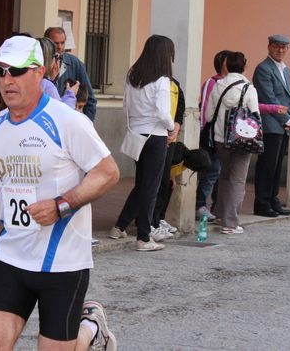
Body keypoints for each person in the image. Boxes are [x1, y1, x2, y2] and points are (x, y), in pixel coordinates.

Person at [0, 36, 120, 351]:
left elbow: (108, 173)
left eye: (17, 70)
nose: (7, 80)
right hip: (11, 254)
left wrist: (61, 205)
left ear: (38, 72)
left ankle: (89, 326)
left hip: (63, 261)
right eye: (1, 72)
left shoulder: (69, 122)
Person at [109, 35, 176, 251]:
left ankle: (119, 226)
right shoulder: (162, 80)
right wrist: (172, 126)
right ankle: (144, 238)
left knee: (142, 184)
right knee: (151, 186)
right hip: (155, 135)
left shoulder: (132, 75)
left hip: (136, 134)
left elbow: (125, 107)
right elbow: (163, 113)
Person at [205, 51, 261, 234]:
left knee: (224, 176)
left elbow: (208, 116)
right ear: (244, 66)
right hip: (242, 139)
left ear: (227, 66)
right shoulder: (248, 88)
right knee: (238, 180)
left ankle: (220, 213)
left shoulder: (218, 85)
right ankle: (230, 224)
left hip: (220, 138)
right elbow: (255, 116)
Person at [252, 34, 290, 218]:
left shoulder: (285, 70)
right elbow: (268, 97)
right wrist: (287, 119)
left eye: (283, 47)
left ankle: (273, 200)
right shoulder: (263, 68)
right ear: (269, 47)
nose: (280, 50)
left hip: (283, 125)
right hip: (271, 123)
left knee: (277, 166)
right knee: (267, 166)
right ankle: (262, 203)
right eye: (277, 47)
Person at [196, 50, 232, 221]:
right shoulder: (212, 82)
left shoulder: (234, 83)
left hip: (228, 135)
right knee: (212, 171)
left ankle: (218, 207)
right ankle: (200, 205)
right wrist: (203, 130)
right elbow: (204, 107)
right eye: (227, 61)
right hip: (212, 133)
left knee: (223, 172)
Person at [150, 76, 185, 241]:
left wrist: (176, 128)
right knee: (152, 184)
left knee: (166, 182)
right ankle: (150, 222)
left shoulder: (174, 84)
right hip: (156, 136)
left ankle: (158, 219)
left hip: (171, 139)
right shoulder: (152, 82)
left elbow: (180, 108)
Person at [45, 27, 97, 121]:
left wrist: (87, 124)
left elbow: (89, 98)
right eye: (56, 43)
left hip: (68, 121)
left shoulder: (75, 63)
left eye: (62, 43)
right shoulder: (39, 64)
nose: (60, 47)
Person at [37, 37, 78, 109]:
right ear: (48, 58)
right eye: (56, 56)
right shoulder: (47, 86)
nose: (57, 60)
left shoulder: (25, 80)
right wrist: (70, 94)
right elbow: (62, 114)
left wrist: (52, 80)